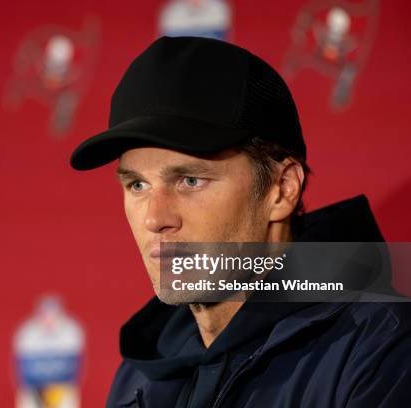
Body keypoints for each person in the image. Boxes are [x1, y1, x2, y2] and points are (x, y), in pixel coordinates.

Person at [69, 37, 411, 407]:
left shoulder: (382, 347)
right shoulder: (140, 374)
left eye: (190, 180)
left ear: (281, 189)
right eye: (137, 184)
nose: (154, 218)